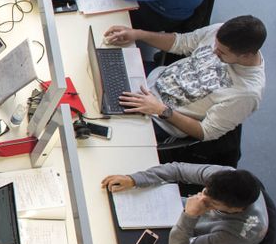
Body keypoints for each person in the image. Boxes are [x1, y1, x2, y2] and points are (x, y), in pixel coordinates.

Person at [103, 16, 266, 157]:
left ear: (246, 55)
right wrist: (137, 34)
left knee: (103, 130)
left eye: (222, 53)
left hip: (159, 118)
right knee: (100, 67)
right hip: (150, 80)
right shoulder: (222, 32)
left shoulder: (247, 94)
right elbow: (181, 42)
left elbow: (205, 132)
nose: (214, 52)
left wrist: (160, 110)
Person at [101, 164, 267, 244]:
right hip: (194, 218)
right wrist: (134, 179)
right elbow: (177, 170)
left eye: (211, 202)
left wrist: (190, 215)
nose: (202, 199)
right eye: (204, 192)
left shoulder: (242, 231)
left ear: (235, 209)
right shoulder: (224, 176)